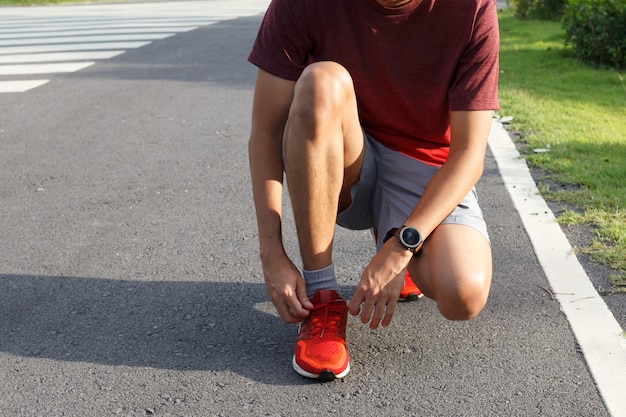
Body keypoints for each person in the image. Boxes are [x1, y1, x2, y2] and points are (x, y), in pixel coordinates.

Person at [247, 0, 499, 380]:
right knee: (321, 80)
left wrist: (402, 247)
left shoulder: (472, 8)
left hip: (425, 170)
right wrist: (272, 252)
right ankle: (322, 301)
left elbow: (468, 155)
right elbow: (265, 133)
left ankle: (405, 243)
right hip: (345, 158)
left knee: (464, 293)